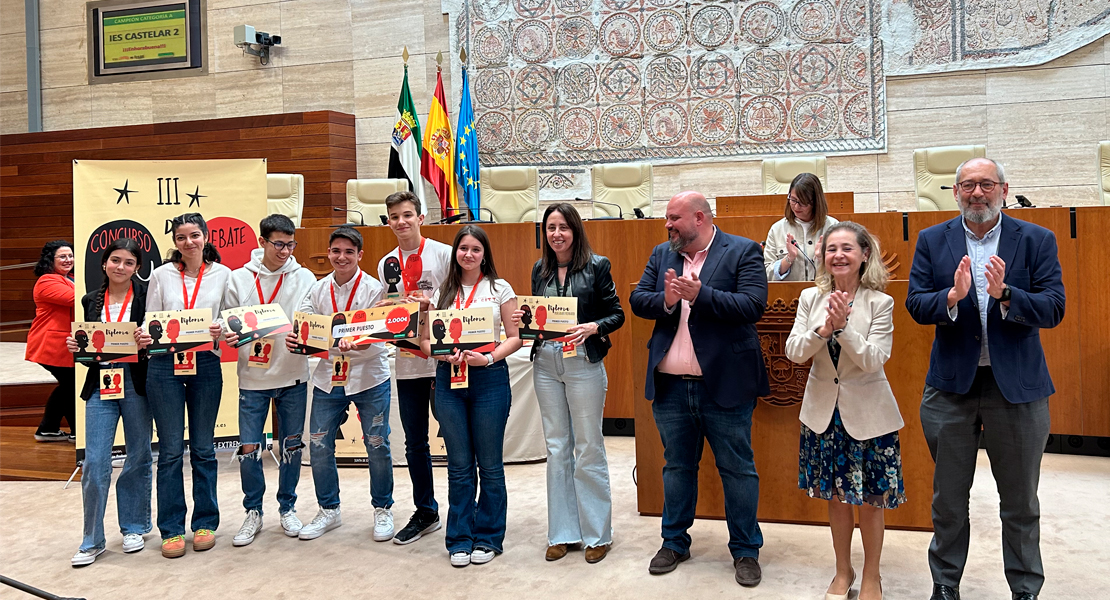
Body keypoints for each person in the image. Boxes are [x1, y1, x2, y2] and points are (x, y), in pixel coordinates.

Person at [906, 158, 1065, 600]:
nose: (978, 193)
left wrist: (1007, 295)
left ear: (1003, 189)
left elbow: (1054, 307)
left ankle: (1025, 588)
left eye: (987, 184)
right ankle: (945, 584)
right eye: (968, 185)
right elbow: (916, 303)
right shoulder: (932, 240)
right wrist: (951, 297)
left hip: (1017, 389)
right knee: (948, 501)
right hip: (950, 387)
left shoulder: (1036, 239)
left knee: (1019, 502)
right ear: (954, 192)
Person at [629, 191, 769, 587]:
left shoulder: (743, 251)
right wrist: (668, 300)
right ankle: (674, 542)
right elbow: (638, 298)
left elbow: (753, 305)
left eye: (674, 218)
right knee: (677, 468)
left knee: (738, 470)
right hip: (672, 386)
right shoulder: (662, 254)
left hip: (724, 385)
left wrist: (701, 296)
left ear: (700, 218)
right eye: (667, 219)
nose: (668, 225)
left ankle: (745, 550)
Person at [785, 222, 905, 600]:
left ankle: (872, 576)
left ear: (864, 254)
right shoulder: (810, 298)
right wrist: (823, 329)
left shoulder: (879, 302)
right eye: (831, 249)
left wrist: (844, 328)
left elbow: (873, 360)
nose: (838, 255)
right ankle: (843, 571)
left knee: (871, 501)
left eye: (847, 248)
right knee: (836, 499)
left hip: (869, 417)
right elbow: (795, 352)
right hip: (824, 415)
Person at [510, 203, 625, 564]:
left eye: (563, 227)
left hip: (584, 362)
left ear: (575, 230)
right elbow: (537, 320)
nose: (556, 234)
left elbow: (617, 313)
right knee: (558, 446)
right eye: (550, 228)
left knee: (588, 446)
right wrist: (523, 318)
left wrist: (594, 326)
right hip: (545, 363)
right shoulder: (539, 270)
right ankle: (562, 533)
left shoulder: (597, 266)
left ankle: (596, 535)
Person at [419, 225, 522, 568]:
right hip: (450, 381)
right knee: (459, 467)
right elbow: (424, 342)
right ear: (455, 252)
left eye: (476, 249)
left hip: (489, 378)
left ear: (484, 254)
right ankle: (459, 538)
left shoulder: (499, 288)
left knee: (490, 465)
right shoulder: (442, 292)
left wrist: (489, 357)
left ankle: (489, 537)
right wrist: (442, 353)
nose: (468, 254)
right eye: (463, 248)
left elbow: (515, 337)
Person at [289, 226, 395, 542]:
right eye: (336, 251)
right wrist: (299, 339)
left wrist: (358, 342)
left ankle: (383, 508)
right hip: (327, 378)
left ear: (360, 255)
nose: (342, 257)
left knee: (377, 444)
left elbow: (379, 334)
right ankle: (329, 509)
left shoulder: (375, 290)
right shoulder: (318, 290)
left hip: (369, 376)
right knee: (319, 443)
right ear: (329, 253)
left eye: (349, 251)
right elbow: (305, 328)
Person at [223, 214, 317, 546]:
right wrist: (231, 336)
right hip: (252, 377)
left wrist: (307, 338)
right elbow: (227, 323)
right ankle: (253, 512)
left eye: (291, 244)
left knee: (291, 445)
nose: (285, 251)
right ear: (262, 242)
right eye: (278, 244)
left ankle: (287, 506)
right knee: (250, 448)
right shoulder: (238, 278)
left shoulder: (304, 276)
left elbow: (312, 319)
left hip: (293, 374)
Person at [145, 213, 232, 558]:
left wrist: (220, 328)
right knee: (168, 451)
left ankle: (205, 522)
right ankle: (170, 528)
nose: (189, 243)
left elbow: (231, 316)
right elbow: (151, 320)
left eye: (194, 235)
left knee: (203, 448)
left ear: (206, 236)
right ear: (175, 242)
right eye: (181, 238)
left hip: (206, 363)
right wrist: (143, 334)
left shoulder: (224, 274)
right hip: (164, 365)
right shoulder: (160, 274)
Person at [67, 238, 154, 566]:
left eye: (128, 262)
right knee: (95, 462)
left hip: (135, 384)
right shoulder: (90, 300)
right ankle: (92, 540)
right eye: (115, 260)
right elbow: (89, 352)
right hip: (101, 387)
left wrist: (147, 342)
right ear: (104, 263)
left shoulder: (146, 298)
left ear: (137, 268)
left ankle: (134, 526)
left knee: (139, 456)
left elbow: (155, 344)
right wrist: (78, 350)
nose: (121, 267)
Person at [375, 191, 453, 545]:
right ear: (388, 221)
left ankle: (465, 510)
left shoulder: (443, 254)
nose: (401, 221)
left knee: (456, 440)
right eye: (394, 216)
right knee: (414, 443)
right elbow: (388, 309)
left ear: (421, 218)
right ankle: (426, 511)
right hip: (407, 362)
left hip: (442, 359)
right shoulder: (386, 262)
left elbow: (458, 298)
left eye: (407, 214)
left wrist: (430, 301)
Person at [26, 240, 76, 442]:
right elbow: (76, 298)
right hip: (51, 345)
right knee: (72, 385)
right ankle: (78, 433)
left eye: (70, 256)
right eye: (62, 256)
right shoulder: (47, 281)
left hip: (63, 346)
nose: (68, 260)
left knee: (68, 385)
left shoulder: (70, 278)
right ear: (50, 260)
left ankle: (48, 429)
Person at [763, 173, 839, 282]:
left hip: (824, 294)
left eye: (803, 203)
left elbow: (844, 272)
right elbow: (766, 275)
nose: (796, 206)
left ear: (816, 202)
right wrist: (789, 258)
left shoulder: (833, 227)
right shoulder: (777, 229)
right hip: (787, 296)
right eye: (793, 200)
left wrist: (822, 258)